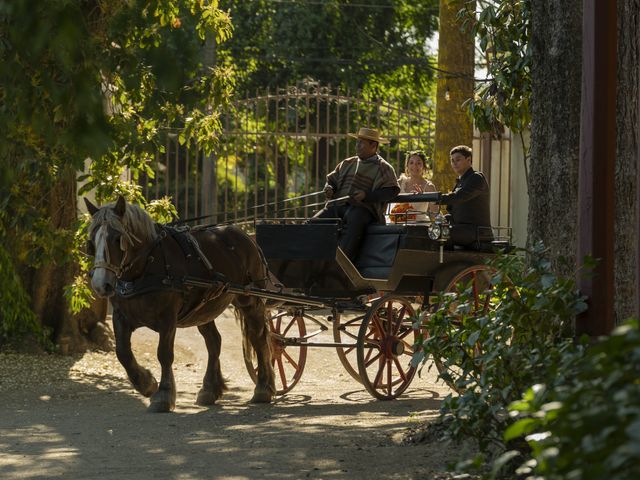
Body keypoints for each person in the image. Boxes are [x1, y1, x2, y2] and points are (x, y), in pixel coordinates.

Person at [313, 127, 400, 260]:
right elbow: (331, 181)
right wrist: (329, 188)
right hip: (338, 206)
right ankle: (309, 257)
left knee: (355, 219)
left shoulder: (384, 167)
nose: (357, 146)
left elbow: (391, 190)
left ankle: (341, 262)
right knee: (316, 222)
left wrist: (367, 196)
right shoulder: (347, 163)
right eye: (357, 142)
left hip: (364, 210)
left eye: (361, 143)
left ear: (373, 145)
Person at [437, 145, 492, 247]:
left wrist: (436, 198)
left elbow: (459, 197)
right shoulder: (461, 181)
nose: (454, 163)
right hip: (462, 229)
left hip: (476, 231)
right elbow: (453, 210)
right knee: (433, 230)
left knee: (440, 233)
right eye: (452, 160)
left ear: (468, 160)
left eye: (458, 160)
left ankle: (447, 260)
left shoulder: (476, 178)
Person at [396, 150, 439, 217]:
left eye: (418, 163)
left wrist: (424, 197)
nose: (414, 165)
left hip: (419, 224)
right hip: (398, 222)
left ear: (424, 166)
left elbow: (435, 213)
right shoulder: (400, 182)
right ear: (407, 166)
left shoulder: (429, 186)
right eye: (411, 163)